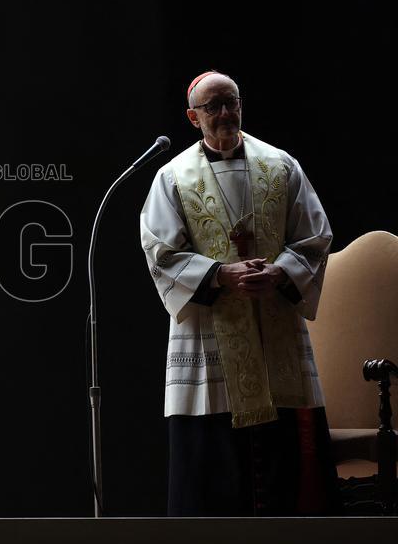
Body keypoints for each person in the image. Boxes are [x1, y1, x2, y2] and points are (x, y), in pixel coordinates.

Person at [139, 71, 339, 516]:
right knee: (213, 469)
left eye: (232, 102)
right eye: (213, 107)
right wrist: (219, 275)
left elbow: (315, 237)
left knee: (285, 463)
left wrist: (280, 272)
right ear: (193, 117)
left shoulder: (281, 166)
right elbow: (160, 251)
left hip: (274, 326)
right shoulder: (173, 177)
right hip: (210, 332)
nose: (226, 113)